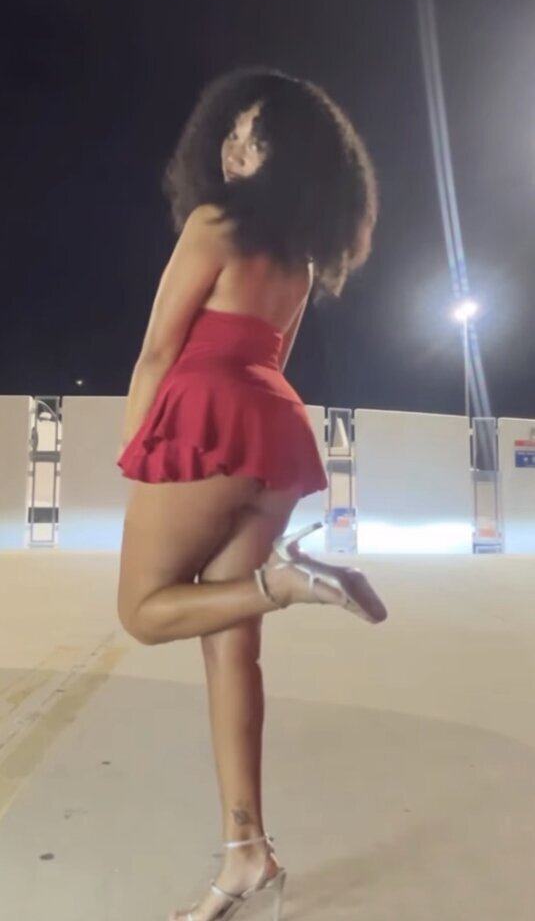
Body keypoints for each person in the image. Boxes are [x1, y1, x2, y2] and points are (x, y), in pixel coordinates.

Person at [116, 67, 387, 921]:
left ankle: (285, 582)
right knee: (229, 642)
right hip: (275, 424)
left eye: (256, 137)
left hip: (208, 416)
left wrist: (138, 450)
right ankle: (246, 856)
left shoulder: (212, 224)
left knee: (143, 611)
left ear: (290, 153)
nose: (235, 149)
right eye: (231, 133)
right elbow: (271, 357)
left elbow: (159, 350)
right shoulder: (302, 259)